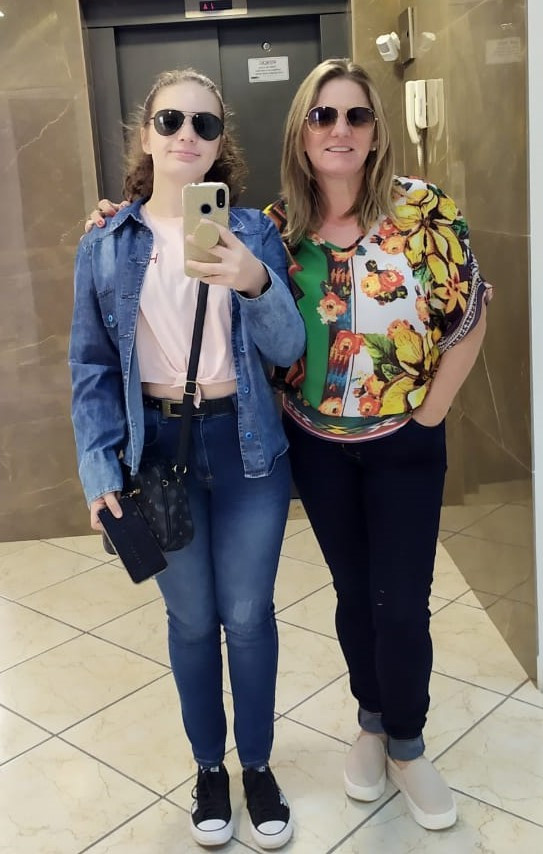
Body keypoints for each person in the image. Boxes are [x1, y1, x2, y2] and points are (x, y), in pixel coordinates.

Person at [86, 57, 490, 833]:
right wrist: (119, 218)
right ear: (301, 132)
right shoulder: (262, 226)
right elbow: (100, 358)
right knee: (327, 598)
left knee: (386, 603)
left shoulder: (388, 214)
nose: (339, 129)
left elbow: (462, 309)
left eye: (355, 115)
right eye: (322, 116)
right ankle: (322, 738)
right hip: (291, 444)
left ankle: (389, 745)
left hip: (355, 443)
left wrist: (430, 414)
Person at [70, 68, 304, 850]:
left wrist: (254, 280)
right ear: (145, 134)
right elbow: (91, 368)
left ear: (219, 142)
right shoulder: (107, 243)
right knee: (192, 621)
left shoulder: (253, 232)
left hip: (246, 447)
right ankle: (209, 769)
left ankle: (257, 766)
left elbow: (287, 348)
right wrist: (99, 470)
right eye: (170, 120)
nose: (186, 136)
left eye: (204, 124)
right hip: (155, 450)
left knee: (248, 617)